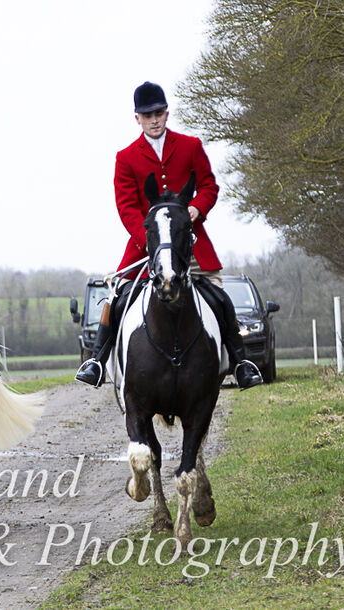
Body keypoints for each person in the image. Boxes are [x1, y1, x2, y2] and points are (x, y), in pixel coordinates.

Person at [75, 82, 263, 390]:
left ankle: (241, 363)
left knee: (220, 298)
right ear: (137, 118)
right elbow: (126, 207)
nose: (154, 120)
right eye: (147, 115)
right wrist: (151, 242)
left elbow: (209, 186)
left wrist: (197, 208)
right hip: (145, 247)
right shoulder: (125, 157)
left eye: (159, 113)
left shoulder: (191, 146)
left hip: (191, 246)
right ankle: (97, 361)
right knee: (117, 298)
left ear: (166, 113)